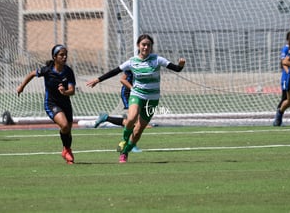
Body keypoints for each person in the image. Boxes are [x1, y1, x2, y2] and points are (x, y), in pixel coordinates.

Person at [86, 34, 186, 163]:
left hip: (152, 98)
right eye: (143, 44)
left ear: (151, 47)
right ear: (138, 46)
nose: (145, 47)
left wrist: (181, 65)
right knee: (131, 117)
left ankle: (125, 152)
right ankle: (123, 140)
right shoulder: (132, 61)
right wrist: (98, 80)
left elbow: (177, 69)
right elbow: (115, 71)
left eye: (148, 45)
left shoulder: (157, 60)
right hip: (137, 94)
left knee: (138, 131)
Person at [17, 45, 76, 164]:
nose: (64, 57)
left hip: (65, 103)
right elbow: (32, 74)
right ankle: (68, 150)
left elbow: (72, 91)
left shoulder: (68, 71)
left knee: (67, 130)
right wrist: (22, 86)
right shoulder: (47, 70)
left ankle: (65, 149)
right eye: (61, 55)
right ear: (54, 57)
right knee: (64, 126)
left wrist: (65, 92)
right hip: (51, 103)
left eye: (65, 55)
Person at [94, 71, 143, 152]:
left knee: (133, 121)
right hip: (129, 93)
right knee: (133, 120)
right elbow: (122, 79)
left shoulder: (148, 65)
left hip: (140, 94)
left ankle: (106, 118)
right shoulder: (133, 64)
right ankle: (131, 144)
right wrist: (132, 89)